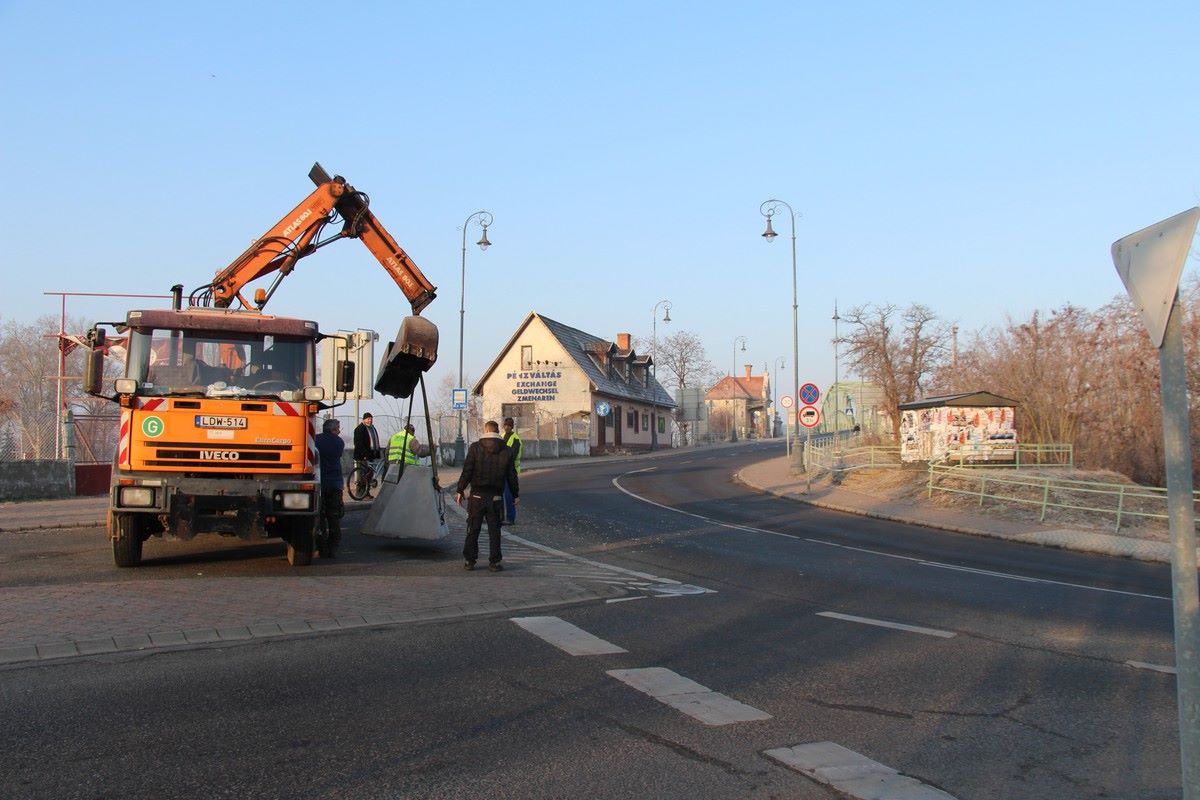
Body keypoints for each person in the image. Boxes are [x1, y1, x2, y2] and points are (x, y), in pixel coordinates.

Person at [454, 420, 518, 572]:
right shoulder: (507, 450)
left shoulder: (475, 447)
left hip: (476, 496)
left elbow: (467, 470)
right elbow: (511, 475)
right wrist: (515, 494)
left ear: (485, 430)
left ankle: (470, 561)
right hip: (496, 496)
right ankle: (494, 563)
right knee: (494, 530)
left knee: (473, 528)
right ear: (497, 431)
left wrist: (460, 490)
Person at [314, 417, 345, 556]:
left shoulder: (316, 439)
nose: (339, 431)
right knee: (334, 517)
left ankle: (321, 547)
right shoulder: (339, 442)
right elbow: (337, 455)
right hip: (335, 483)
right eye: (338, 428)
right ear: (333, 430)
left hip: (320, 482)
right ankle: (332, 547)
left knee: (319, 516)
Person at [500, 417, 523, 525]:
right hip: (501, 469)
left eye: (509, 425)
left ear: (512, 426)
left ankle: (510, 518)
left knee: (509, 495)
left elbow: (512, 455)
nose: (507, 427)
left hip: (511, 470)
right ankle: (500, 517)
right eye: (505, 425)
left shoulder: (516, 439)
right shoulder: (502, 436)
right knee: (499, 495)